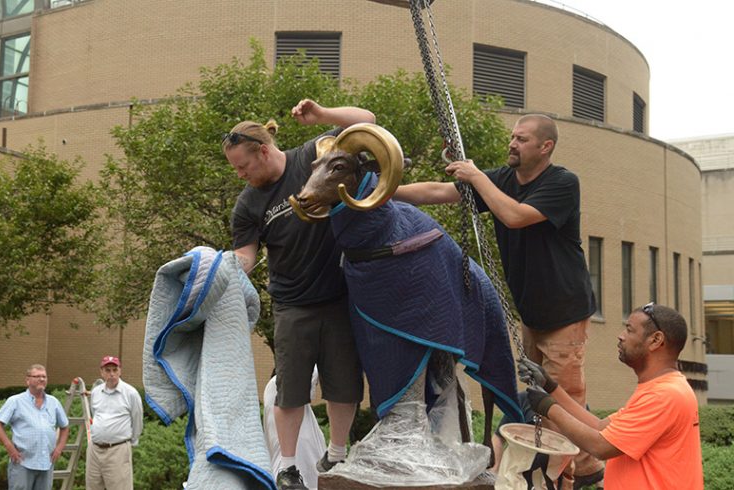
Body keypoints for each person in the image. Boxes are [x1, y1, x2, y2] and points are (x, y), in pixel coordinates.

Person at [393, 114, 602, 486]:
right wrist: (388, 190)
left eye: (521, 139)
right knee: (541, 400)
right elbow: (441, 191)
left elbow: (515, 216)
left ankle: (569, 478)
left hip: (565, 313)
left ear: (545, 147)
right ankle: (588, 469)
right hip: (532, 314)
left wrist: (476, 177)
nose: (512, 143)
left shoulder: (562, 183)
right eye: (512, 137)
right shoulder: (503, 179)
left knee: (560, 404)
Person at [226, 99, 375, 490]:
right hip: (292, 303)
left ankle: (338, 453)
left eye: (243, 166)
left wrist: (323, 114)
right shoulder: (247, 205)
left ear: (263, 150)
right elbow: (246, 257)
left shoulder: (312, 155)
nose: (240, 174)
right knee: (289, 388)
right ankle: (288, 467)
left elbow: (368, 123)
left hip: (339, 294)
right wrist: (220, 268)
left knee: (344, 383)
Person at [523, 303, 703, 490]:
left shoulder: (665, 395)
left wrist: (547, 407)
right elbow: (600, 427)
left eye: (629, 330)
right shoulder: (663, 388)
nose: (621, 336)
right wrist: (550, 387)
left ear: (656, 340)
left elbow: (600, 447)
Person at [0, 364, 70, 490]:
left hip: (46, 463)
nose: (42, 379)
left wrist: (59, 449)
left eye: (44, 376)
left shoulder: (53, 402)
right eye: (37, 376)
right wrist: (10, 447)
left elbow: (65, 426)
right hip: (23, 463)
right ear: (27, 380)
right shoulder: (15, 401)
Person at [86, 355, 143, 490]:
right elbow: (95, 416)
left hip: (118, 450)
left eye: (114, 370)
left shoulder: (131, 393)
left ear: (120, 371)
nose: (111, 374)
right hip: (94, 450)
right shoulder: (95, 393)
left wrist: (131, 442)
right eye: (108, 370)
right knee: (92, 486)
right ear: (102, 372)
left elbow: (137, 421)